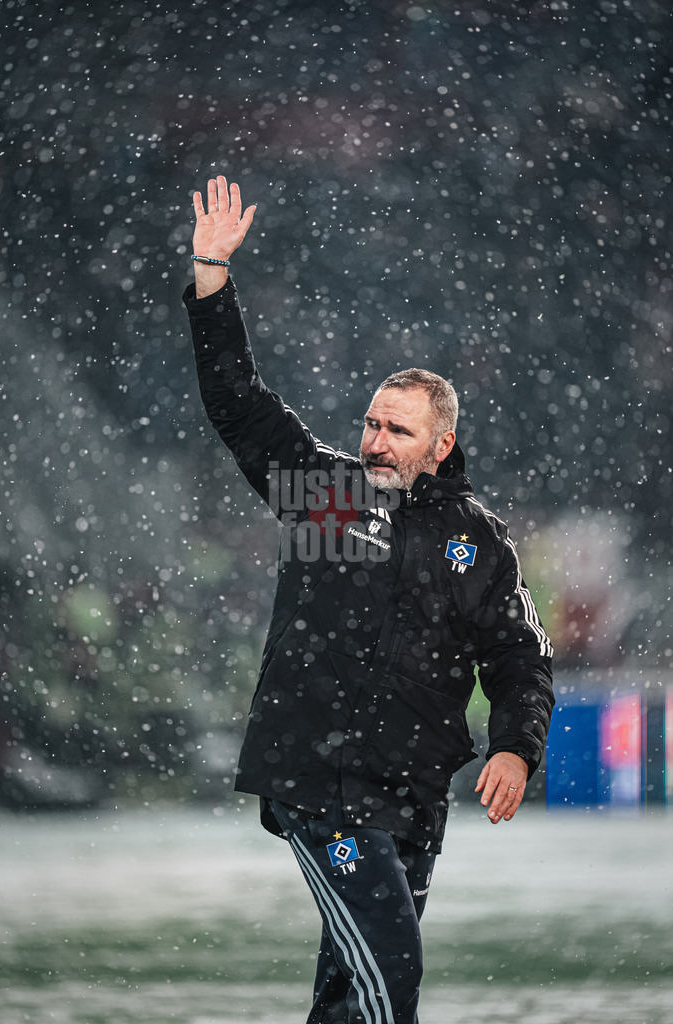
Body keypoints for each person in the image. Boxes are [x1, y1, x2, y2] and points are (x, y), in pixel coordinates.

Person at [182, 176, 554, 1024]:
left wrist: (514, 748)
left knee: (350, 995)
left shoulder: (479, 540)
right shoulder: (326, 494)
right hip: (321, 784)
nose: (376, 442)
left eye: (398, 430)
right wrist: (212, 274)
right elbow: (236, 403)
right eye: (371, 424)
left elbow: (518, 657)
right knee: (391, 969)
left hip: (412, 793)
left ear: (441, 444)